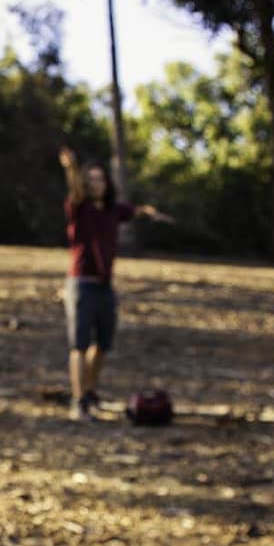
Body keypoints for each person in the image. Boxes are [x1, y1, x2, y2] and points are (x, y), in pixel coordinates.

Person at [57, 146, 170, 422]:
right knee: (79, 346)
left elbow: (134, 210)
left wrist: (150, 212)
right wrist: (71, 169)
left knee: (103, 345)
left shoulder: (112, 211)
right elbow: (74, 191)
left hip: (105, 286)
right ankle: (78, 402)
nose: (96, 184)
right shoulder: (79, 209)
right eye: (91, 179)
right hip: (81, 284)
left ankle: (89, 392)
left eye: (100, 179)